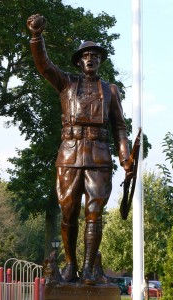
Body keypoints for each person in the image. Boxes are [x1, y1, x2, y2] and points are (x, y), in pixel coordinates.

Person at [27, 14, 130, 285]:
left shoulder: (110, 90)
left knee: (95, 212)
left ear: (100, 60)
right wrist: (37, 37)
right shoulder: (66, 83)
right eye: (86, 55)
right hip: (69, 155)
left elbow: (120, 127)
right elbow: (44, 65)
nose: (91, 58)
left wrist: (125, 155)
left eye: (95, 55)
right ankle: (70, 266)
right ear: (78, 60)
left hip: (99, 156)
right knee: (69, 211)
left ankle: (87, 270)